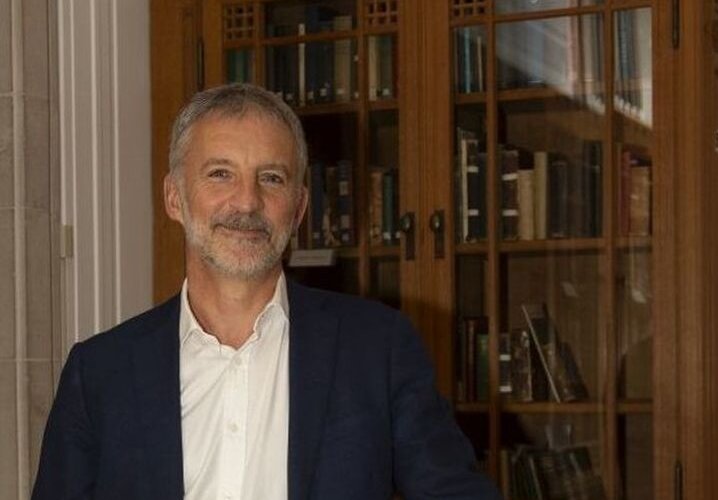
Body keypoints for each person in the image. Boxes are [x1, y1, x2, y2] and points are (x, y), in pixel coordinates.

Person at [32, 83, 501, 500]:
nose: (247, 201)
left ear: (297, 209)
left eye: (271, 178)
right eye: (220, 173)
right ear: (174, 197)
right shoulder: (98, 374)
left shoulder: (378, 349)